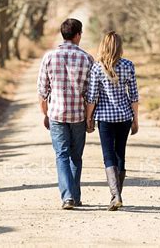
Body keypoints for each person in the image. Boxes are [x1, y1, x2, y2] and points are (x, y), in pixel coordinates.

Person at [37, 18, 93, 210]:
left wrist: (45, 114)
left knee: (61, 155)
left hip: (56, 115)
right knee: (75, 157)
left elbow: (42, 91)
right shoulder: (86, 58)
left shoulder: (49, 57)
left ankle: (68, 197)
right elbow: (90, 93)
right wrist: (89, 117)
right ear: (77, 35)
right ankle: (74, 197)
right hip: (78, 115)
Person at [86, 31, 139, 211]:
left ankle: (116, 196)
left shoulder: (97, 67)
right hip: (124, 117)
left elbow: (92, 96)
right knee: (120, 154)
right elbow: (134, 95)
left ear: (103, 46)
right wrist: (136, 120)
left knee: (108, 156)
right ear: (119, 46)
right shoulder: (128, 65)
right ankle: (117, 196)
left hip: (105, 119)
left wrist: (88, 118)